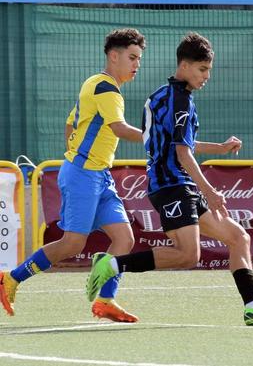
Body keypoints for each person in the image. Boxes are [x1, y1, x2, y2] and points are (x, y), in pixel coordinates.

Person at [85, 32, 253, 326]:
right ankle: (112, 263)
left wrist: (219, 148)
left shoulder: (161, 95)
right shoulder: (180, 101)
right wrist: (210, 191)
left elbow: (176, 143)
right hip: (171, 185)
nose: (207, 76)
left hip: (178, 184)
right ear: (184, 66)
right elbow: (183, 154)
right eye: (202, 69)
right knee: (188, 255)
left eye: (209, 69)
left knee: (238, 238)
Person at [0, 28, 146, 322]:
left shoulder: (94, 84)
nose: (136, 64)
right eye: (132, 57)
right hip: (83, 176)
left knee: (124, 239)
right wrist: (158, 137)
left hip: (98, 175)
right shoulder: (106, 88)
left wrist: (78, 154)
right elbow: (119, 128)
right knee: (72, 244)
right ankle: (11, 278)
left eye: (139, 59)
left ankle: (105, 300)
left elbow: (71, 124)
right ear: (113, 56)